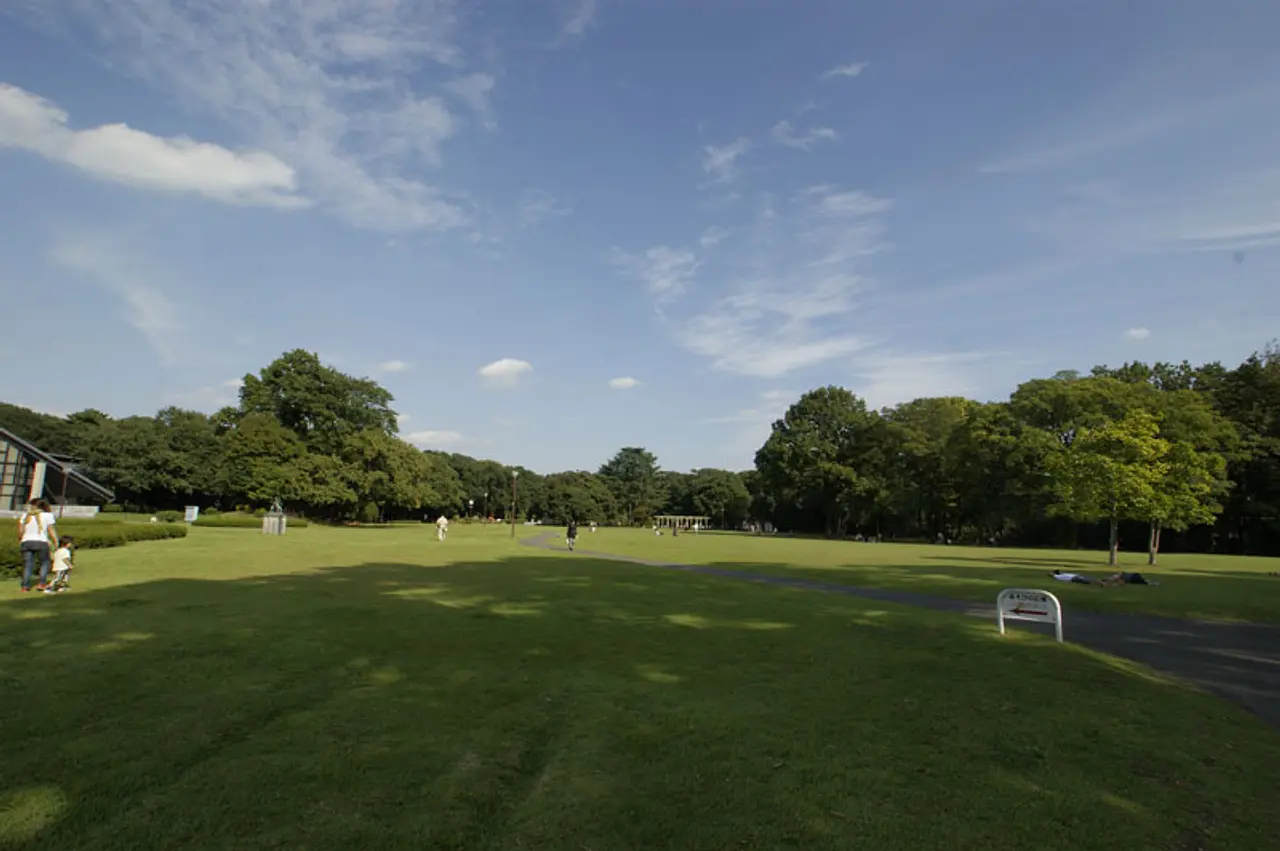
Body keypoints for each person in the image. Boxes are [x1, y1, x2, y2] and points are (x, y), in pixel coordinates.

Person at [17, 498, 58, 592]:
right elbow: (51, 530)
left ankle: (25, 586)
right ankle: (42, 583)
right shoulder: (48, 515)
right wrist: (56, 541)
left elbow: (20, 531)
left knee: (27, 565)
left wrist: (20, 540)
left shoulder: (25, 515)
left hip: (26, 541)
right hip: (41, 541)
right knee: (44, 563)